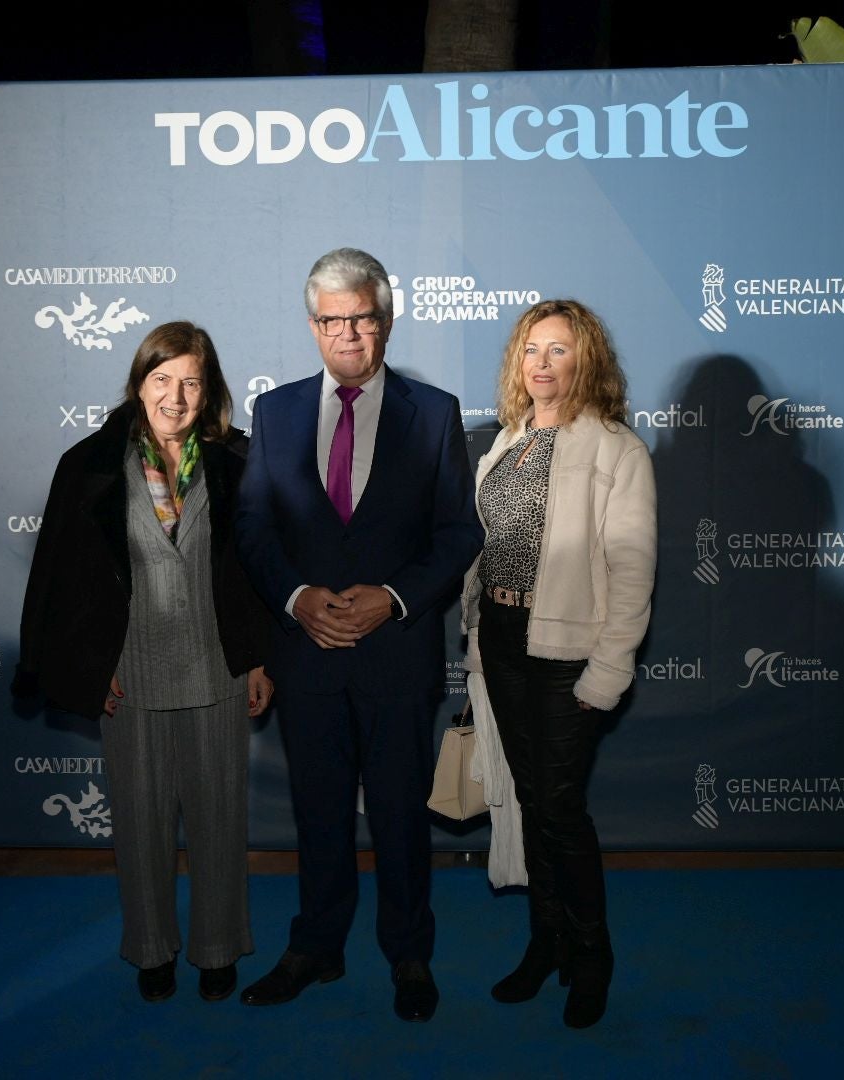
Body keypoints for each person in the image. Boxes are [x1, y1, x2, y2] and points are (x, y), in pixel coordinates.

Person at [234, 247, 483, 1022]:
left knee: (404, 814)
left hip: (397, 653)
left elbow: (457, 532)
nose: (348, 334)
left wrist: (397, 598)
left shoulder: (434, 412)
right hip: (307, 653)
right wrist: (298, 596)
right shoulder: (272, 413)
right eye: (331, 320)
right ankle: (317, 947)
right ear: (312, 327)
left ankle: (410, 954)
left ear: (387, 320)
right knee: (318, 810)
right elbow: (252, 525)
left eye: (362, 317)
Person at [12, 320, 274, 1005]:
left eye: (192, 382)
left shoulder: (237, 462)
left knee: (221, 820)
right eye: (164, 380)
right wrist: (86, 664)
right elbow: (62, 580)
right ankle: (152, 949)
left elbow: (256, 575)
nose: (177, 396)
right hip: (130, 671)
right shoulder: (90, 466)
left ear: (209, 390)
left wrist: (258, 660)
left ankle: (219, 949)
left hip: (217, 668)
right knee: (139, 822)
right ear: (139, 383)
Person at [460, 299, 656, 1029]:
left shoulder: (615, 449)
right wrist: (477, 634)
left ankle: (593, 955)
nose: (542, 364)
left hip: (569, 655)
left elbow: (632, 570)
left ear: (587, 361)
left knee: (563, 810)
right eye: (531, 350)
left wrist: (608, 671)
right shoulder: (505, 442)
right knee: (534, 806)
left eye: (559, 351)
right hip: (504, 642)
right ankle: (546, 943)